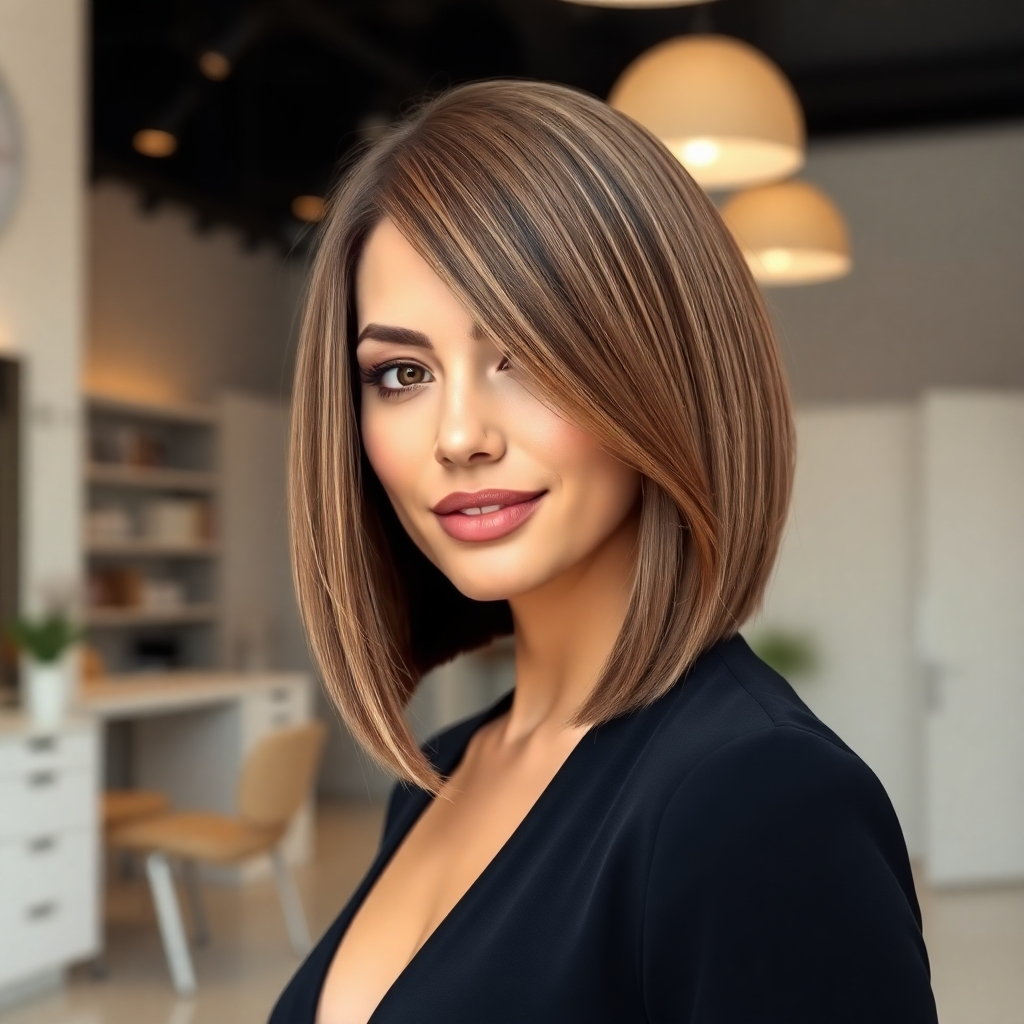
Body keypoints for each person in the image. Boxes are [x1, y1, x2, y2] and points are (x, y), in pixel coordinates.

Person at [271, 79, 937, 1024]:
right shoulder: (443, 771)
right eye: (402, 373)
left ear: (663, 371)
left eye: (526, 355)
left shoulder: (759, 802)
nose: (459, 435)